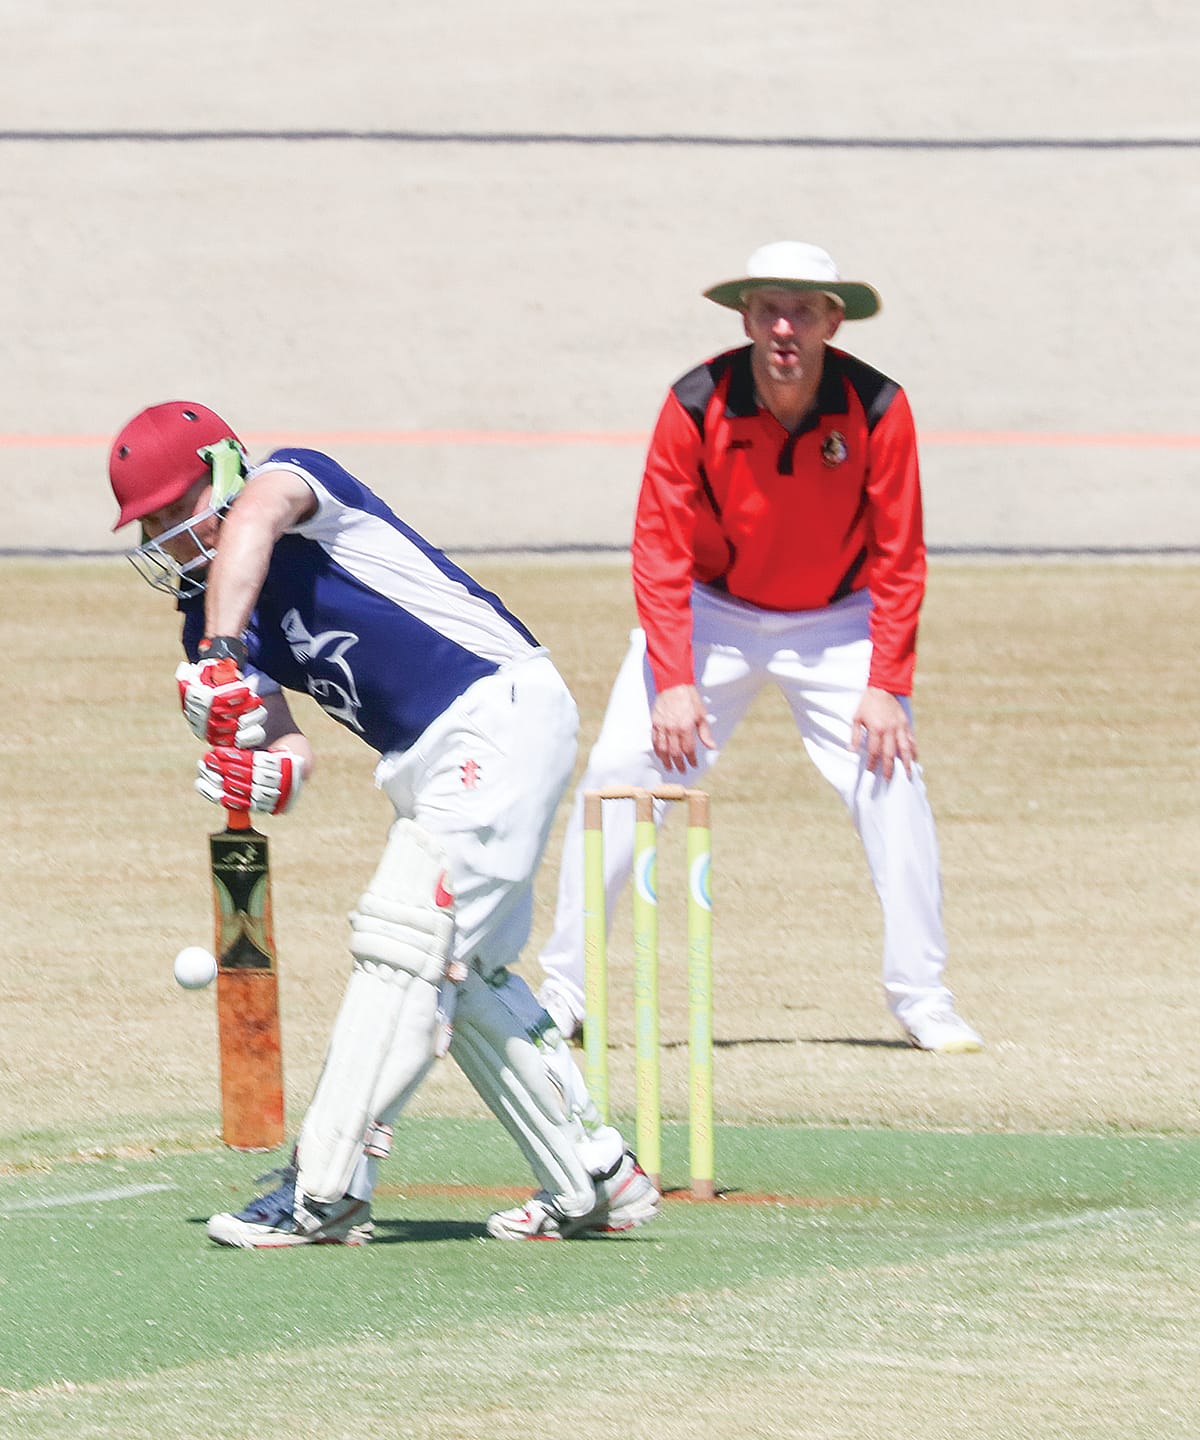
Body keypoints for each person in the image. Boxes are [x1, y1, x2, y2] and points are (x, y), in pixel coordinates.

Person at [108, 400, 660, 1246]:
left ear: (222, 473)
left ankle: (324, 1190)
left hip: (494, 708)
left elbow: (255, 517)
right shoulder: (203, 614)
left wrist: (219, 655)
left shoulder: (294, 483)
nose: (167, 541)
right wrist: (254, 764)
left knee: (403, 941)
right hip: (426, 763)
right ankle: (593, 1175)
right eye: (148, 526)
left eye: (175, 513)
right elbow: (291, 757)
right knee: (466, 974)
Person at [533, 242, 984, 1054]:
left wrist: (886, 682)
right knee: (616, 775)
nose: (785, 327)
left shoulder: (878, 405)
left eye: (804, 311)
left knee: (895, 783)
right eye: (770, 309)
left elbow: (901, 552)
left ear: (832, 321)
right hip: (711, 616)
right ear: (744, 317)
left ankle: (924, 998)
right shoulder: (695, 400)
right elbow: (659, 547)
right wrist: (673, 679)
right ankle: (563, 991)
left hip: (839, 621)